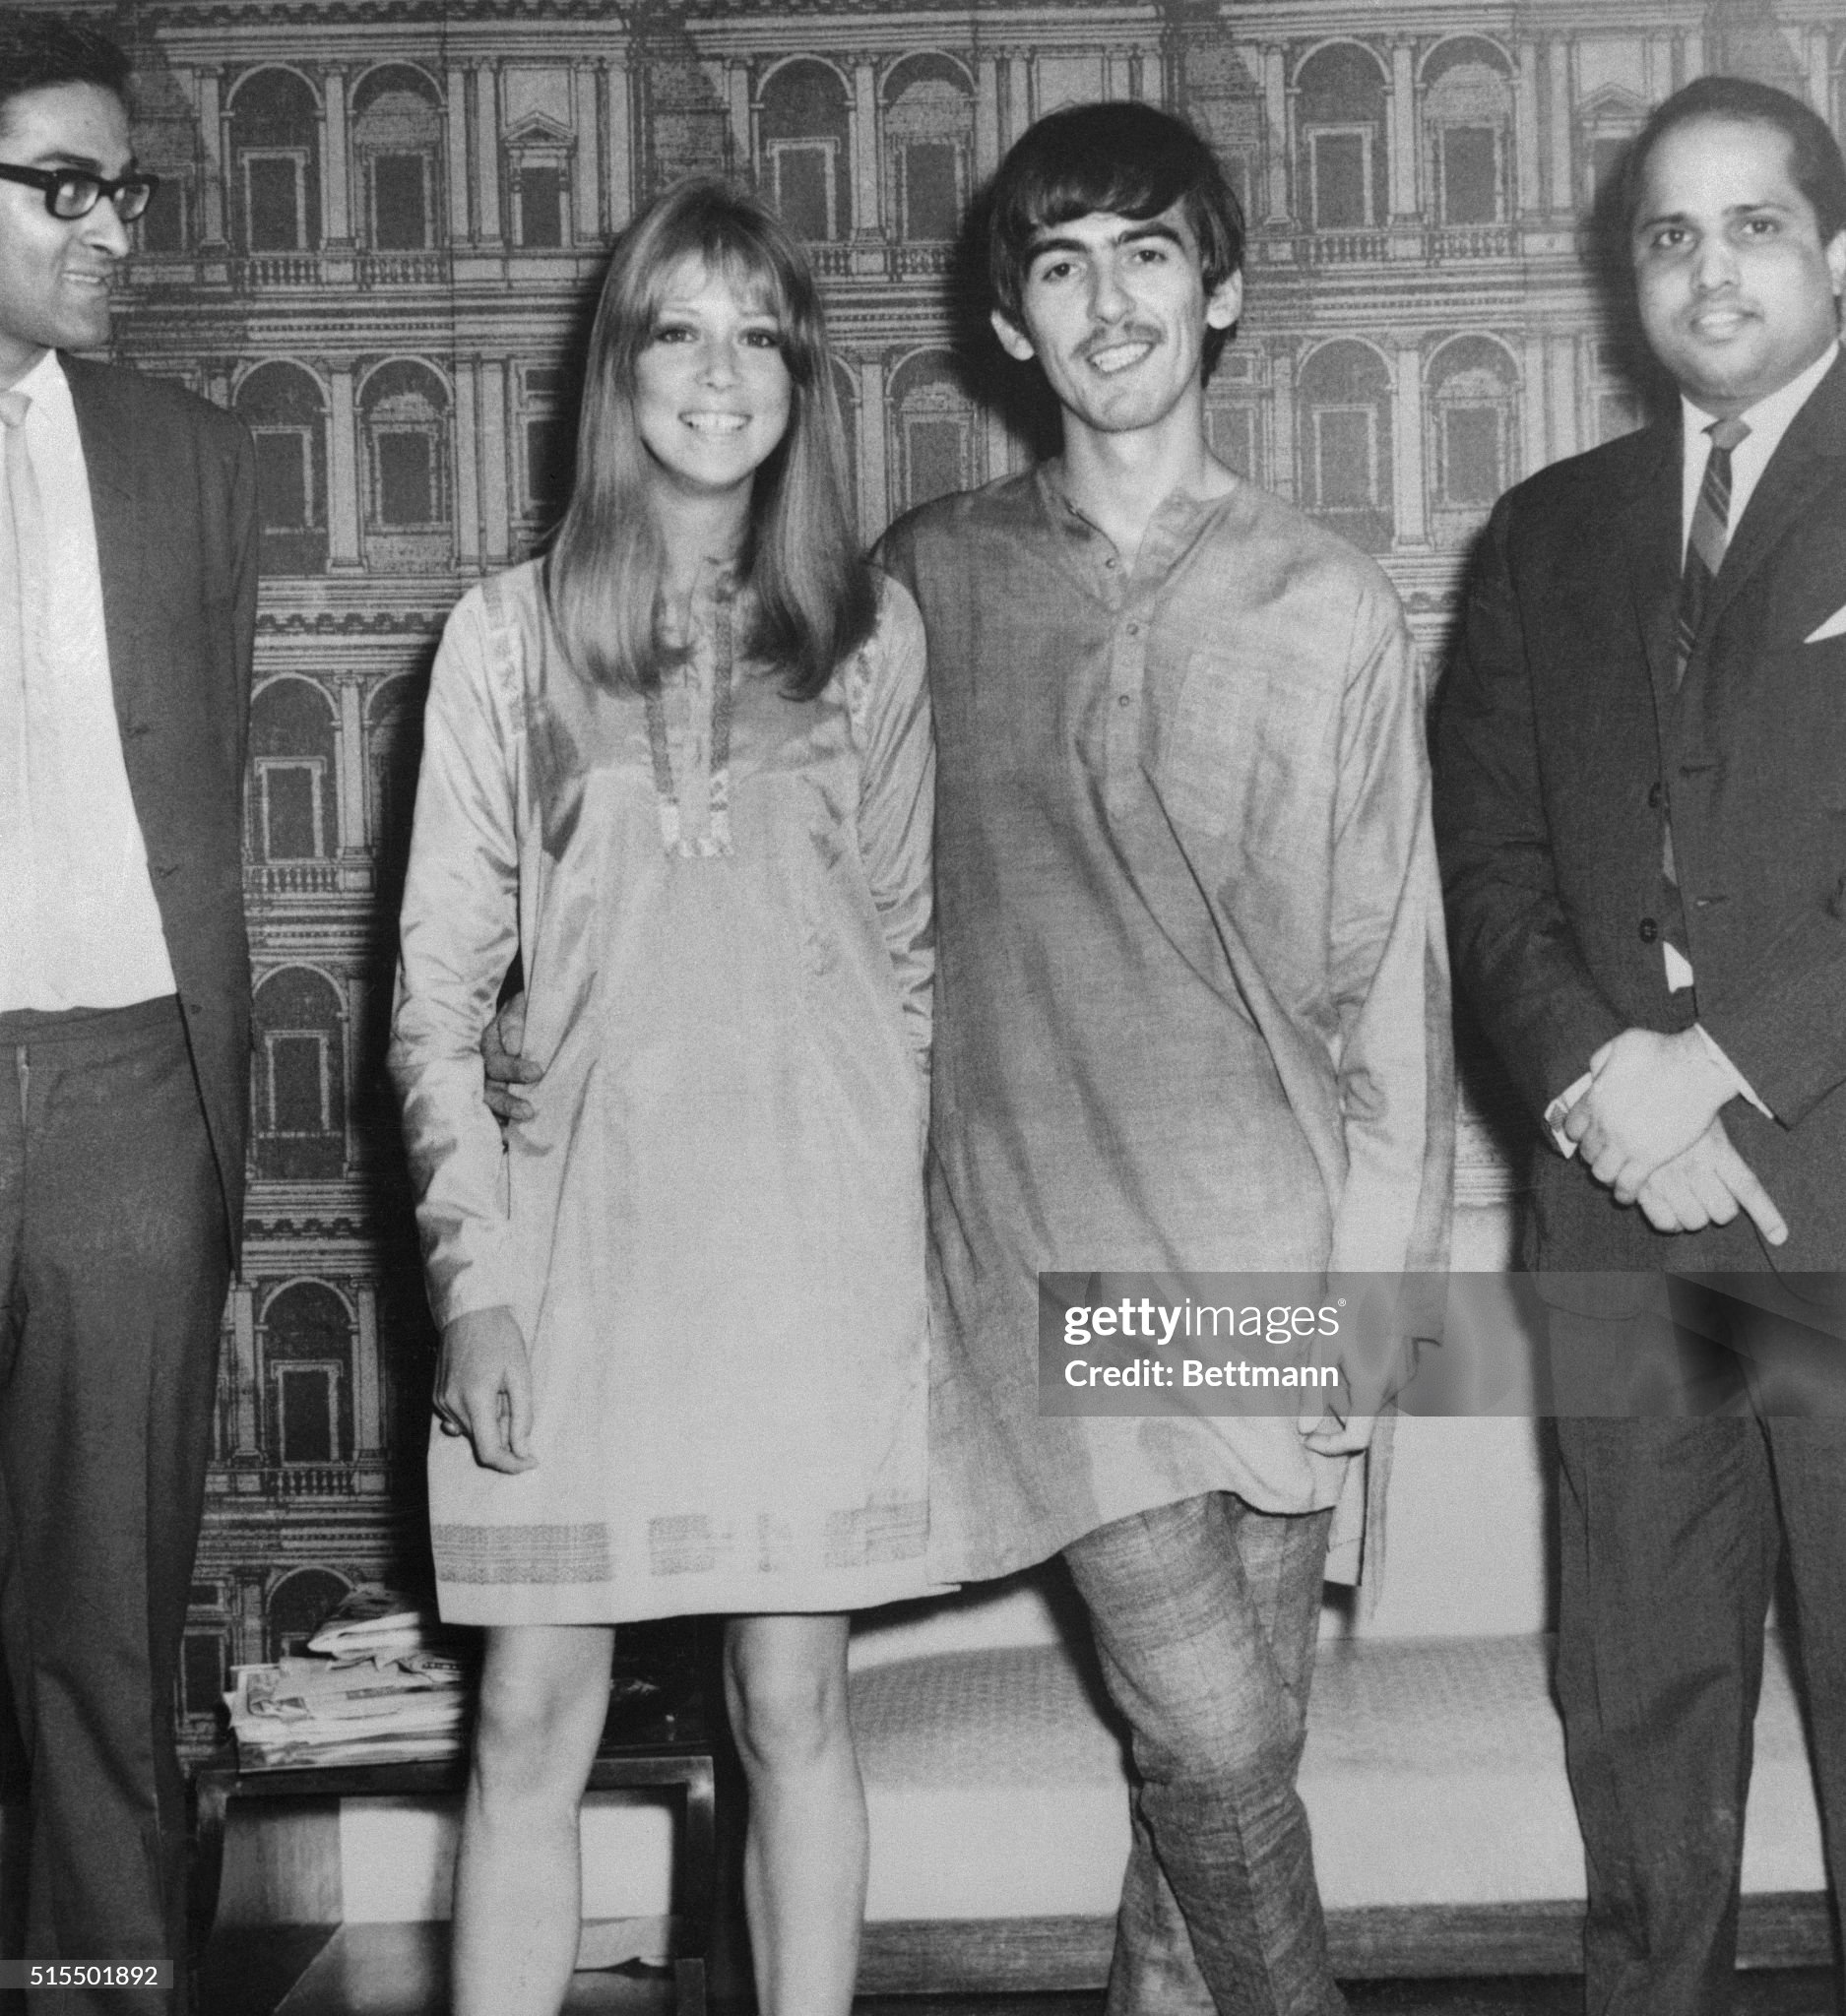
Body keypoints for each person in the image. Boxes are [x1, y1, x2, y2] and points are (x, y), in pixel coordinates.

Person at [875, 103, 1450, 2015]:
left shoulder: (1328, 599)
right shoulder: (923, 584)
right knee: (1211, 1739)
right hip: (1042, 1256)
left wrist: (1373, 1299)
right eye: (1057, 262)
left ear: (1218, 293)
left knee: (1212, 1772)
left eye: (1143, 252)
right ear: (1008, 323)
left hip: (1266, 1250)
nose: (1104, 297)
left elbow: (1388, 986)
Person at [389, 176, 935, 2016]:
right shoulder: (499, 639)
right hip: (579, 1253)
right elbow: (437, 1002)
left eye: (761, 334)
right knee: (532, 1713)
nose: (722, 374)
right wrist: (475, 1283)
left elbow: (911, 973)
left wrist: (892, 1267)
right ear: (616, 364)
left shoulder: (870, 636)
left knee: (795, 1703)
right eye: (681, 330)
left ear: (803, 378)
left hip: (809, 1257)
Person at [1434, 75, 1846, 2016]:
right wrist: (1611, 1094)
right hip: (1616, 1237)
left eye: (1749, 222)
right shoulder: (1539, 536)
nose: (1706, 267)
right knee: (1638, 1741)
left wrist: (1725, 1056)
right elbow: (1489, 872)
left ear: (1830, 250)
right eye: (1666, 232)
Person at [0, 19, 257, 2010]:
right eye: (58, 187)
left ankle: (97, 1992)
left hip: (123, 1095)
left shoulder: (180, 451)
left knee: (103, 1627)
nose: (114, 229)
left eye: (124, 188)